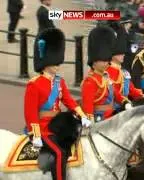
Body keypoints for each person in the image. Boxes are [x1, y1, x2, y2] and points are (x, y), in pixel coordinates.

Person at [24, 28, 91, 180]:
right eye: (54, 61)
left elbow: (69, 101)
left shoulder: (59, 82)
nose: (57, 64)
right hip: (43, 129)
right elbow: (30, 113)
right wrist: (35, 134)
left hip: (58, 126)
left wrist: (82, 116)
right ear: (45, 61)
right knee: (59, 152)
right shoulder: (34, 84)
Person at [81, 26, 133, 122]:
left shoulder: (105, 77)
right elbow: (87, 107)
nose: (107, 63)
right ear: (94, 62)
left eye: (107, 60)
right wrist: (90, 122)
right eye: (104, 60)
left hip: (111, 117)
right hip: (98, 119)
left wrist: (125, 102)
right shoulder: (90, 81)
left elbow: (115, 93)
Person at [106, 25, 144, 112]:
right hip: (111, 109)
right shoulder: (106, 72)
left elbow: (132, 90)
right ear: (113, 55)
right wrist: (125, 102)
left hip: (124, 106)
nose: (123, 55)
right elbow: (113, 92)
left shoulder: (124, 73)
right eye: (120, 53)